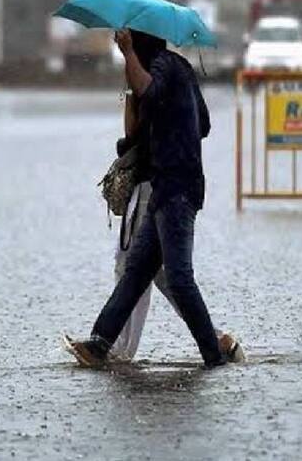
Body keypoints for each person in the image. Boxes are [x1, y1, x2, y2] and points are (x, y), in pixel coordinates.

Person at [65, 29, 230, 368]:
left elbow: (148, 90)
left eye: (131, 41)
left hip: (177, 189)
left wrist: (127, 54)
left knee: (179, 278)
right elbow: (203, 125)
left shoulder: (164, 68)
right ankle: (98, 345)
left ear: (140, 43)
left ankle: (214, 354)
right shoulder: (180, 68)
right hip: (164, 187)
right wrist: (168, 119)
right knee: (136, 272)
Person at [108, 84, 243, 363]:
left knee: (131, 267)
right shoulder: (173, 78)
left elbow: (133, 133)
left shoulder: (152, 77)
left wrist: (131, 94)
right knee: (158, 273)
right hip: (164, 185)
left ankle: (119, 349)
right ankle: (216, 339)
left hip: (152, 184)